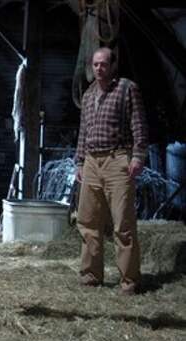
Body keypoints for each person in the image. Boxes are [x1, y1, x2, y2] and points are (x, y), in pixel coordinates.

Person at [74, 47, 149, 296]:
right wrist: (79, 162)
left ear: (112, 65)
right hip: (91, 162)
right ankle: (90, 275)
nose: (99, 68)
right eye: (95, 64)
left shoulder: (127, 89)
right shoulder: (88, 95)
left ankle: (129, 281)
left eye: (103, 64)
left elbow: (139, 125)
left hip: (118, 160)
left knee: (122, 224)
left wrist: (138, 156)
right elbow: (83, 132)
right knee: (87, 222)